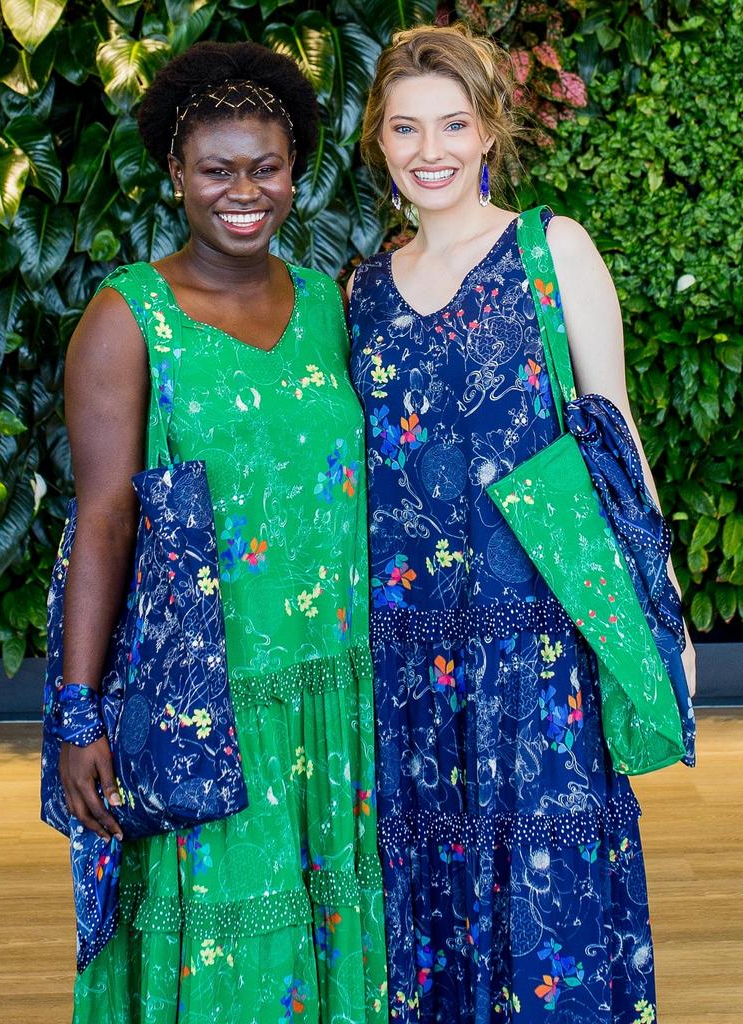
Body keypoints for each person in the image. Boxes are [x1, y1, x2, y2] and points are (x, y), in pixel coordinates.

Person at [347, 23, 696, 1024]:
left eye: (453, 123)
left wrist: (658, 603)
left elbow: (612, 429)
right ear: (380, 139)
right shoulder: (361, 290)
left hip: (534, 643)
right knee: (424, 897)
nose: (431, 150)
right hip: (405, 655)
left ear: (490, 126)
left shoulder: (551, 250)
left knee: (546, 895)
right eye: (407, 128)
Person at [59, 40, 387, 1024]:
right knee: (227, 940)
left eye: (266, 167)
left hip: (334, 689)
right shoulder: (128, 318)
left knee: (332, 933)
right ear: (176, 173)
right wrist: (80, 709)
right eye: (217, 169)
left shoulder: (334, 304)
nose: (244, 191)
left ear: (295, 174)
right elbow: (105, 519)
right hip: (207, 699)